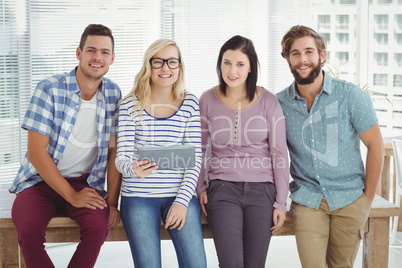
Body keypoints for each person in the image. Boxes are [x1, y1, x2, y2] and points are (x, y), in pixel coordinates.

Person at [9, 24, 122, 268]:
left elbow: (114, 151)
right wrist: (71, 195)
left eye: (104, 52)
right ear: (79, 53)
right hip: (40, 182)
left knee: (97, 227)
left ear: (112, 58)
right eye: (91, 50)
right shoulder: (49, 89)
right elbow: (37, 153)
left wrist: (112, 202)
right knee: (28, 231)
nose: (97, 57)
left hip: (85, 183)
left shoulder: (113, 93)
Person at [276, 25, 384, 268]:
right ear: (287, 59)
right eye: (295, 53)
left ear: (322, 55)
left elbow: (375, 146)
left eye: (309, 52)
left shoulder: (351, 96)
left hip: (350, 199)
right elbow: (271, 154)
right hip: (308, 200)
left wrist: (366, 199)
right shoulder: (279, 104)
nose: (303, 60)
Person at [196, 35, 290, 268]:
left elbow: (279, 153)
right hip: (222, 189)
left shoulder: (268, 101)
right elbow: (199, 148)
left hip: (262, 191)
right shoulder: (207, 99)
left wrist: (280, 202)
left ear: (250, 67)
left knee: (255, 264)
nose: (232, 70)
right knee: (231, 264)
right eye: (227, 63)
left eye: (239, 64)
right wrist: (200, 187)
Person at [114, 39, 207, 268]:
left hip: (179, 195)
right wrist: (131, 168)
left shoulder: (190, 103)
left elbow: (193, 161)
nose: (165, 68)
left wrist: (182, 201)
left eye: (172, 62)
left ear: (179, 67)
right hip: (139, 197)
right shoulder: (129, 105)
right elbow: (121, 158)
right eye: (159, 62)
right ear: (149, 65)